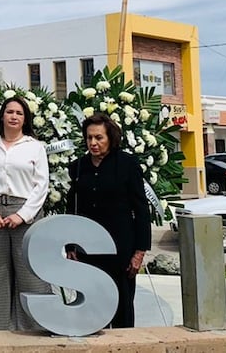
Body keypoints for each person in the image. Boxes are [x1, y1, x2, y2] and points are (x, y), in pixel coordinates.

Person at [68, 113, 150, 328]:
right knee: (92, 307)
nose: (93, 143)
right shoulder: (78, 166)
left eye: (99, 137)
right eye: (89, 138)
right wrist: (70, 246)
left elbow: (141, 209)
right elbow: (72, 208)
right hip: (87, 249)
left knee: (122, 307)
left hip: (121, 249)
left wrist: (139, 252)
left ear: (110, 138)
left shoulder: (128, 164)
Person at [0, 95, 50, 330]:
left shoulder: (34, 147)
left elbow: (41, 185)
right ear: (2, 116)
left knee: (29, 274)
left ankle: (33, 331)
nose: (14, 116)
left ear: (25, 118)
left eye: (19, 113)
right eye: (10, 112)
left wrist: (22, 215)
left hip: (24, 212)